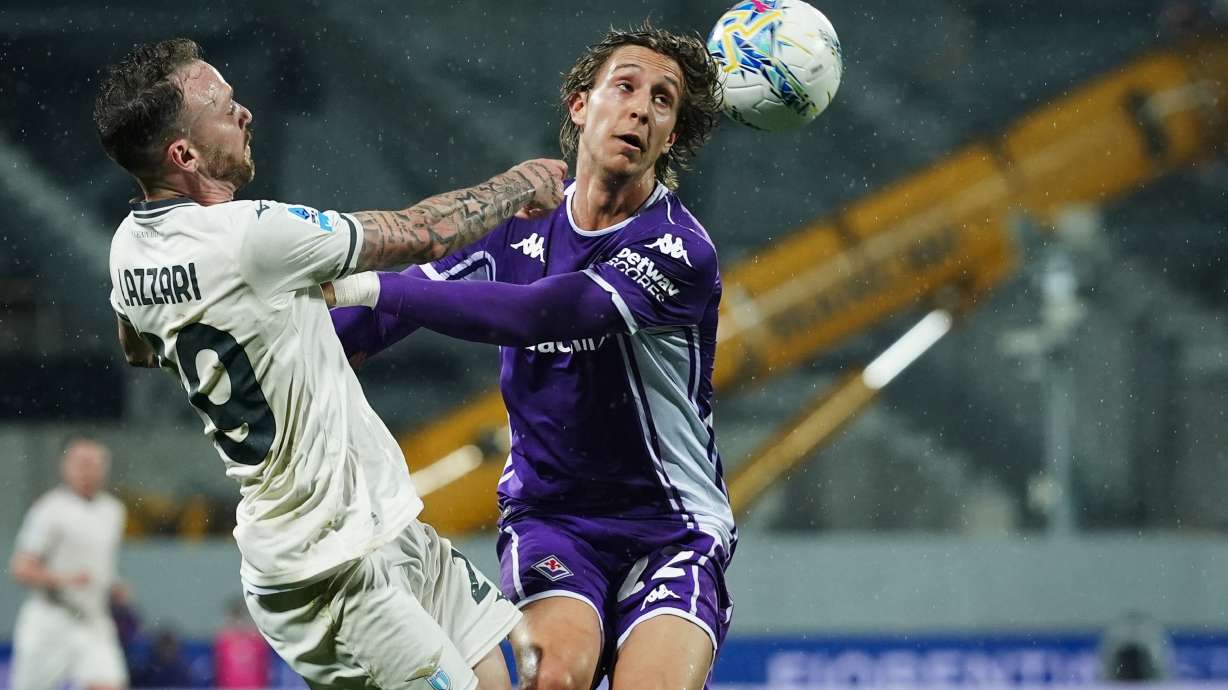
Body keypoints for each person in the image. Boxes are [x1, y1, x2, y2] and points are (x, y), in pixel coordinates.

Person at [94, 37, 566, 690]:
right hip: (327, 573)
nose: (246, 113)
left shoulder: (127, 250)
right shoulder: (251, 235)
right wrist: (521, 184)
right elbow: (419, 232)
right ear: (185, 154)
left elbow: (138, 346)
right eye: (225, 108)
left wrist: (254, 335)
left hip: (386, 526)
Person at [328, 23, 734, 690]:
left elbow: (546, 313)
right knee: (554, 678)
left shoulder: (679, 250)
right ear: (581, 106)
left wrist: (363, 279)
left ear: (671, 136)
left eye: (663, 101)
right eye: (624, 86)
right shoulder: (518, 227)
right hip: (553, 519)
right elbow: (376, 322)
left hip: (672, 528)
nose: (640, 107)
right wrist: (278, 348)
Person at [9, 437, 129, 690]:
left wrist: (113, 584)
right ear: (65, 466)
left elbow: (99, 565)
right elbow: (20, 568)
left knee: (109, 684)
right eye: (82, 463)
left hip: (93, 619)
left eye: (95, 464)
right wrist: (63, 580)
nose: (89, 471)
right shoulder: (49, 509)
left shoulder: (113, 511)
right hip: (50, 619)